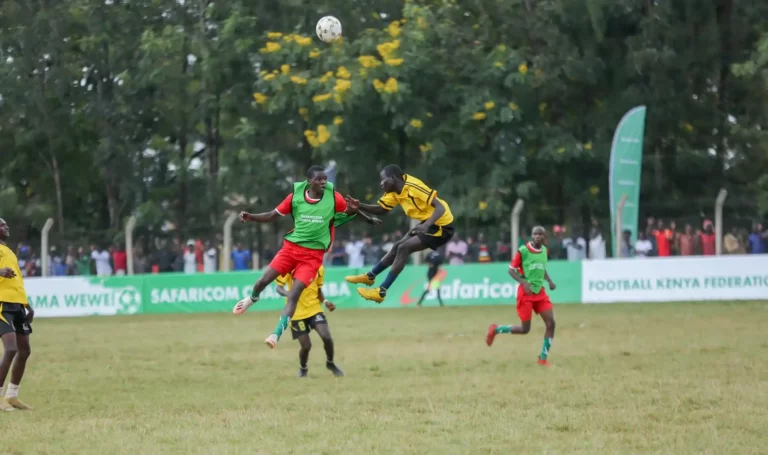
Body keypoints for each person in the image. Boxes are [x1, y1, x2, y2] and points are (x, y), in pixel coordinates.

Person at [232, 166, 359, 349]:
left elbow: (346, 213)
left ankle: (275, 334)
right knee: (262, 281)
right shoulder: (295, 197)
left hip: (312, 256)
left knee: (294, 294)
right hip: (290, 249)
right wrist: (250, 216)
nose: (323, 182)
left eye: (325, 179)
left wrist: (355, 210)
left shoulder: (333, 197)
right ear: (309, 181)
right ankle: (252, 298)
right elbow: (271, 215)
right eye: (319, 179)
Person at [344, 165, 455, 303]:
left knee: (404, 248)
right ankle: (370, 276)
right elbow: (382, 209)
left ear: (393, 178)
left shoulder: (413, 187)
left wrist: (426, 225)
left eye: (383, 179)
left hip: (442, 225)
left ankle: (381, 291)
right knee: (397, 246)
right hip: (427, 222)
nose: (381, 183)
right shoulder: (394, 191)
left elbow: (440, 207)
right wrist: (359, 206)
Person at [485, 226, 556, 366]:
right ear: (532, 235)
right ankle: (496, 329)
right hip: (526, 293)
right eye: (535, 234)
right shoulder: (523, 251)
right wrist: (523, 283)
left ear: (544, 237)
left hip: (539, 292)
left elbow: (541, 268)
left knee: (551, 323)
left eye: (540, 234)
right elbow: (511, 270)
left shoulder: (545, 251)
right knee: (525, 329)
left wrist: (549, 281)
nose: (537, 236)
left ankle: (543, 359)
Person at [0, 218, 35, 411]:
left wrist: (27, 305)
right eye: (2, 225)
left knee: (24, 350)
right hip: (2, 305)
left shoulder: (8, 251)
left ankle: (12, 395)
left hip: (18, 305)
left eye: (6, 224)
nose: (6, 227)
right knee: (11, 348)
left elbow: (16, 281)